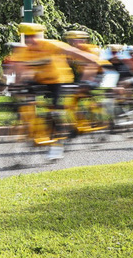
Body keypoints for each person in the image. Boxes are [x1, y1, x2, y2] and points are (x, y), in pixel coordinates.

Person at [7, 23, 99, 160]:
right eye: (26, 37)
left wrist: (92, 60)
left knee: (54, 112)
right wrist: (15, 86)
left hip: (58, 80)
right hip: (39, 80)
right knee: (26, 101)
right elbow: (19, 70)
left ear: (40, 36)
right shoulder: (24, 51)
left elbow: (74, 53)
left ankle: (57, 145)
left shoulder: (51, 45)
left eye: (32, 37)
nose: (29, 40)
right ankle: (33, 129)